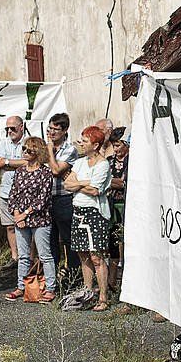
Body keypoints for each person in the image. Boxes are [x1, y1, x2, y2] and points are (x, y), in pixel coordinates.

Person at [63, 126, 113, 311]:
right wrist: (84, 182)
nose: (81, 144)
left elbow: (96, 190)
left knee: (97, 256)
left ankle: (103, 297)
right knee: (83, 254)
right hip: (78, 210)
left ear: (96, 144)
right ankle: (88, 292)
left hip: (94, 213)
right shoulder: (81, 162)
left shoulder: (103, 164)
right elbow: (67, 184)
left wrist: (78, 183)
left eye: (84, 142)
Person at [5, 136, 57, 302]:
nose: (25, 152)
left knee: (44, 254)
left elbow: (42, 199)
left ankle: (50, 288)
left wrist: (24, 214)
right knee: (24, 256)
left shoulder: (45, 172)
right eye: (24, 149)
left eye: (29, 150)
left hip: (40, 219)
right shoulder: (19, 172)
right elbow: (13, 194)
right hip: (21, 218)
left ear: (37, 152)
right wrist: (16, 214)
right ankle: (21, 286)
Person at [46, 112, 79, 280]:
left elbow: (56, 170)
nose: (51, 133)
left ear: (65, 130)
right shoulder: (43, 147)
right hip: (46, 199)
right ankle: (52, 278)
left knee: (68, 238)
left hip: (63, 198)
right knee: (49, 239)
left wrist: (50, 153)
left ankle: (73, 275)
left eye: (56, 130)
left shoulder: (70, 149)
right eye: (50, 129)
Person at [0, 115, 28, 263]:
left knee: (24, 225)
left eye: (12, 128)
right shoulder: (4, 142)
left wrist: (8, 162)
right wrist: (18, 163)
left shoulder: (29, 142)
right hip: (5, 190)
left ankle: (27, 256)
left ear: (21, 127)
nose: (9, 131)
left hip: (24, 192)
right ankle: (15, 256)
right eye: (7, 128)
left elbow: (29, 162)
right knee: (9, 226)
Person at [107, 127, 129, 293]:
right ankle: (111, 282)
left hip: (127, 204)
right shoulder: (109, 161)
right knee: (112, 242)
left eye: (118, 145)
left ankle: (126, 281)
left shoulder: (133, 161)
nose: (116, 149)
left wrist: (109, 181)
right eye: (114, 145)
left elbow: (124, 183)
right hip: (112, 204)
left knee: (126, 241)